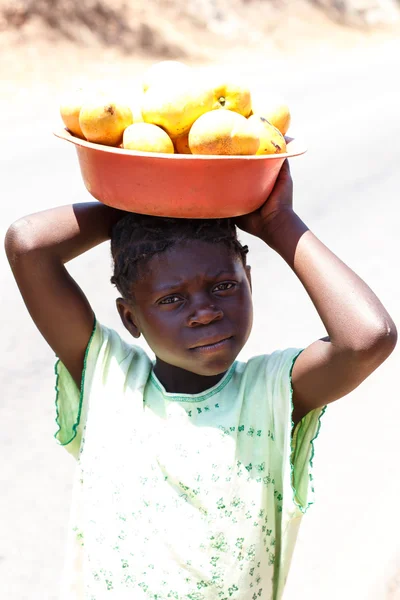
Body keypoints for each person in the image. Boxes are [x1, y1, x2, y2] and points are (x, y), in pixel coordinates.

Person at [5, 161, 397, 600]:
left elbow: (368, 337)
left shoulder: (270, 393)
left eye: (225, 287)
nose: (206, 310)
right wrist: (147, 202)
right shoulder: (107, 379)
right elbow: (28, 243)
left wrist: (277, 222)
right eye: (171, 299)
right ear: (130, 317)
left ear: (250, 280)